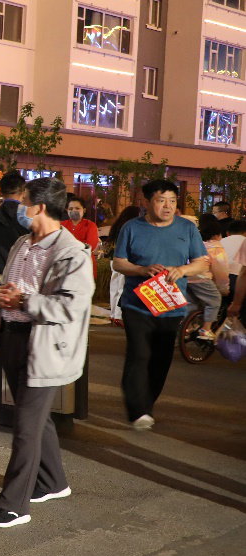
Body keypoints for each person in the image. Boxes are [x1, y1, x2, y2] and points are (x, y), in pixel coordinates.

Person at [0, 177, 94, 528]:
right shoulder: (21, 243)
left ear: (40, 207)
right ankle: (53, 481)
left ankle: (14, 505)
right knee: (35, 419)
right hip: (10, 337)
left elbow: (71, 306)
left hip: (44, 346)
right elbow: (3, 286)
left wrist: (24, 301)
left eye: (24, 202)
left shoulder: (72, 252)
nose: (19, 208)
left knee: (25, 427)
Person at [111, 179, 209, 430]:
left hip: (171, 306)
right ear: (146, 202)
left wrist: (182, 270)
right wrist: (141, 270)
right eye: (161, 200)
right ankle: (138, 411)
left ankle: (146, 404)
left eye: (172, 201)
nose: (167, 206)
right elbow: (118, 262)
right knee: (139, 354)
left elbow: (201, 262)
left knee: (161, 359)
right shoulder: (131, 228)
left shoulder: (187, 228)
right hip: (137, 304)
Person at [187, 215, 231, 342]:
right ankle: (205, 329)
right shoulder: (216, 248)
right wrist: (224, 288)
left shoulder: (196, 244)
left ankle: (187, 329)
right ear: (217, 233)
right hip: (202, 278)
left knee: (191, 303)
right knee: (215, 300)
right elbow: (221, 271)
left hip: (187, 277)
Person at [106, 205, 142, 324]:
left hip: (113, 260)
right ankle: (118, 315)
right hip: (124, 261)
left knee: (114, 287)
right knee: (122, 287)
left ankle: (113, 314)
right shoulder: (130, 227)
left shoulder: (117, 226)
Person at [62, 194, 101, 280]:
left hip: (84, 267)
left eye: (77, 208)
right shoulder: (61, 225)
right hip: (64, 269)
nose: (74, 211)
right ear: (66, 210)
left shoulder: (90, 226)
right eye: (70, 209)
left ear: (84, 210)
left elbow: (90, 246)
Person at [221, 219, 246, 304]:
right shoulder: (244, 241)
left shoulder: (221, 241)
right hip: (240, 279)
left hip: (222, 278)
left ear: (227, 233)